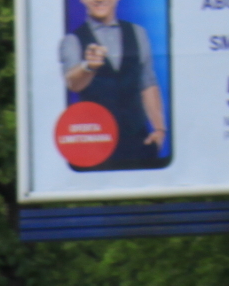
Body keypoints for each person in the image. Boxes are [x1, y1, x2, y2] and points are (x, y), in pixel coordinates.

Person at [58, 0, 168, 169]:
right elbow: (73, 83)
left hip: (138, 143)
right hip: (96, 144)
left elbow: (148, 83)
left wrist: (160, 130)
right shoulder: (72, 40)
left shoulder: (138, 33)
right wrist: (88, 67)